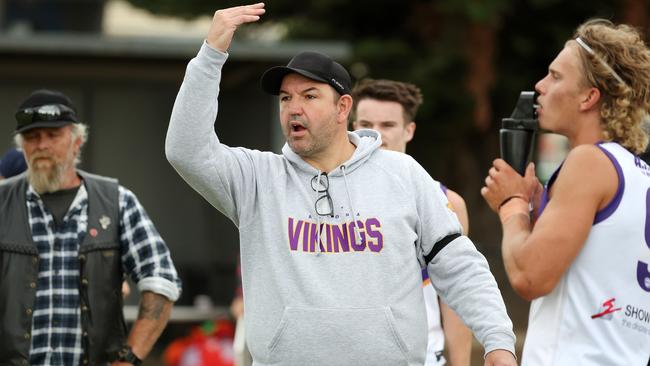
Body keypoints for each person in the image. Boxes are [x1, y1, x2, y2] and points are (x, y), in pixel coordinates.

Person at [166, 3, 516, 366]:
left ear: (343, 107)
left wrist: (498, 340)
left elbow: (459, 266)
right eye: (286, 98)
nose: (293, 108)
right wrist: (210, 56)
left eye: (309, 96)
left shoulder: (403, 174)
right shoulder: (256, 178)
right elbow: (185, 150)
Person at [481, 19, 650, 365]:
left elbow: (530, 277)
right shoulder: (639, 175)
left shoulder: (589, 162)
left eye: (556, 76)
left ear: (590, 96)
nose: (540, 86)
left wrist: (512, 205)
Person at [0, 89, 182, 365]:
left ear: (77, 142)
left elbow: (161, 279)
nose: (42, 145)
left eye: (53, 135)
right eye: (32, 137)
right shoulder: (3, 203)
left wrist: (129, 358)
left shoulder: (116, 201)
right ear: (21, 146)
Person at [351, 78, 472, 366]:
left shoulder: (447, 203)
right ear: (352, 125)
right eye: (365, 122)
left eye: (388, 125)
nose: (376, 134)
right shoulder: (325, 198)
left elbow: (456, 301)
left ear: (409, 130)